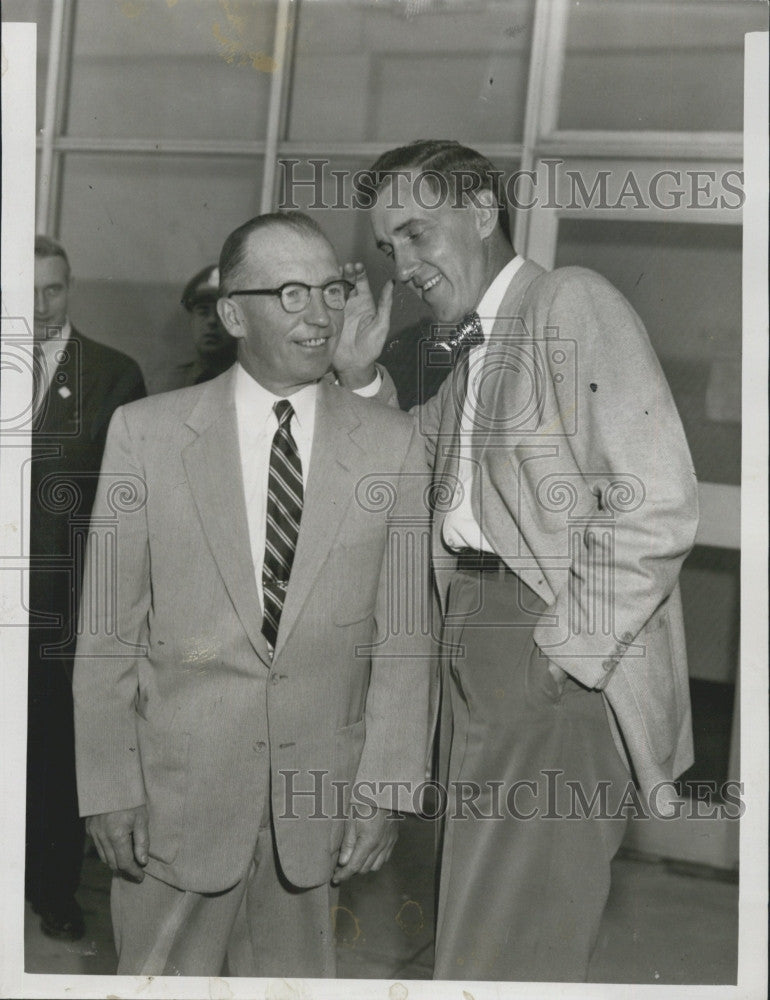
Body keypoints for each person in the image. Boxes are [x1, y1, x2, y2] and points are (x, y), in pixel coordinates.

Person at [334, 140, 699, 982]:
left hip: (540, 651)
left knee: (507, 941)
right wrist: (357, 380)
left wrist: (566, 655)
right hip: (480, 644)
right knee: (484, 922)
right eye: (390, 247)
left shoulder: (569, 303)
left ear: (484, 213)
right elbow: (406, 463)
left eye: (420, 233)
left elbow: (656, 501)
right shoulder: (479, 352)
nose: (407, 264)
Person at [72, 211, 433, 977]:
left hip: (319, 807)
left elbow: (405, 637)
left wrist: (387, 788)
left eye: (331, 289)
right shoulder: (145, 434)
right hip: (172, 804)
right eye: (291, 292)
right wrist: (107, 786)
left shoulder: (393, 446)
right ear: (233, 314)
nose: (320, 313)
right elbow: (108, 632)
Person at [26, 235, 146, 941]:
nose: (41, 306)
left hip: (60, 611)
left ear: (71, 289)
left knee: (53, 758)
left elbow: (123, 509)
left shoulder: (110, 374)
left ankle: (53, 889)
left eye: (54, 289)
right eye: (27, 290)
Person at [164, 264, 238, 389]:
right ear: (191, 320)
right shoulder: (170, 384)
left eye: (222, 313)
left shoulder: (254, 384)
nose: (212, 321)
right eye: (203, 312)